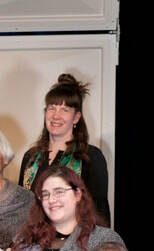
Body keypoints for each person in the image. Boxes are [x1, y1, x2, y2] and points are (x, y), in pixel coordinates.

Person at [10, 166, 124, 251]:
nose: (51, 199)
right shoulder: (27, 239)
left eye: (59, 192)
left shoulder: (104, 240)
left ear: (78, 194)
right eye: (45, 194)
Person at [18, 74, 110, 224]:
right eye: (52, 108)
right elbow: (22, 208)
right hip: (35, 241)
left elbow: (100, 213)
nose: (56, 116)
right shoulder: (31, 157)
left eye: (65, 110)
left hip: (76, 242)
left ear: (76, 117)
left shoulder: (91, 156)